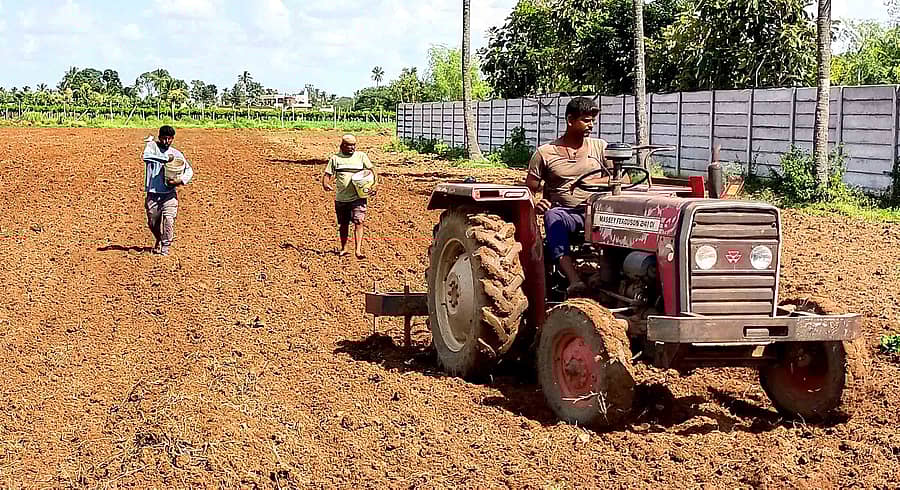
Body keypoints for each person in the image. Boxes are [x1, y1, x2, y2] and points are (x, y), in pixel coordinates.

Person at [525, 97, 608, 296]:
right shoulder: (545, 153)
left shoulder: (600, 147)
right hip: (565, 213)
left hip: (597, 211)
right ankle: (574, 281)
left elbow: (621, 179)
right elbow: (529, 190)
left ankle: (608, 277)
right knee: (553, 217)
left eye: (593, 120)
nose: (591, 125)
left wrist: (593, 183)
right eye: (586, 120)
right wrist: (537, 204)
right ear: (570, 120)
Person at [322, 134, 377, 259]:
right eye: (349, 145)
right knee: (344, 224)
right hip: (342, 198)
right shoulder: (335, 159)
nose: (352, 148)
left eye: (354, 145)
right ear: (342, 145)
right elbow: (327, 175)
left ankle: (358, 250)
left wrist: (375, 184)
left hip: (358, 196)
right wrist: (325, 184)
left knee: (359, 221)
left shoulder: (361, 156)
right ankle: (344, 248)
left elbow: (373, 171)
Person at [142, 125, 194, 256]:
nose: (167, 142)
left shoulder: (177, 154)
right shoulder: (152, 148)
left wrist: (180, 180)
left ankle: (165, 247)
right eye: (164, 138)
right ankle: (158, 239)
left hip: (169, 194)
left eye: (170, 139)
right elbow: (146, 157)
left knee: (169, 220)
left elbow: (189, 170)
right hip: (153, 194)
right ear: (159, 138)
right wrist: (165, 159)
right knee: (153, 222)